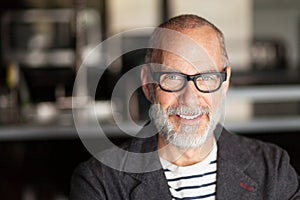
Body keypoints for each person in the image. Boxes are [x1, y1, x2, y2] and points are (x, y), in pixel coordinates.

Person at [70, 14, 300, 200]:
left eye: (206, 77)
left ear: (225, 81)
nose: (190, 99)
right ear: (148, 83)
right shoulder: (99, 183)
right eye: (172, 77)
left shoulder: (273, 169)